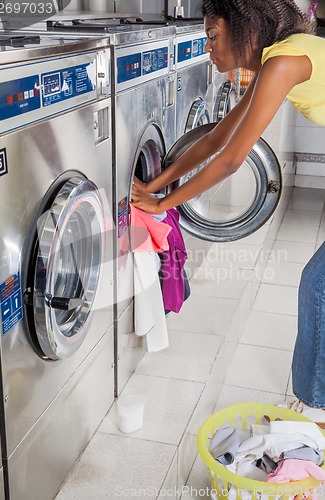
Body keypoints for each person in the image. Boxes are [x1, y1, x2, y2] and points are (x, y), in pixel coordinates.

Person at [131, 0, 325, 410]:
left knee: (318, 287)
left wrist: (163, 202)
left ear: (244, 30)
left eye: (212, 36)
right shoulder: (279, 57)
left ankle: (315, 410)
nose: (207, 48)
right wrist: (156, 184)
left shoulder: (283, 63)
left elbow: (233, 159)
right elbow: (218, 136)